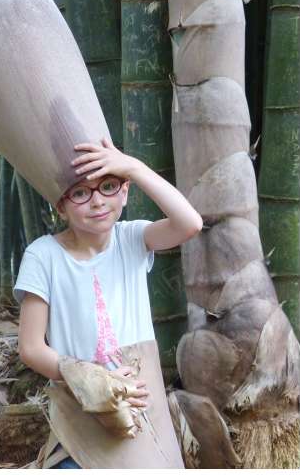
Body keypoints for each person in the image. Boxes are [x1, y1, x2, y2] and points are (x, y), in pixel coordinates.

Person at [16, 137, 201, 469]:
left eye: (108, 186)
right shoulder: (43, 255)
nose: (97, 202)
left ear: (125, 191)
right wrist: (89, 377)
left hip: (143, 407)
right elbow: (30, 347)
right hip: (80, 410)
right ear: (61, 205)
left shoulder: (132, 238)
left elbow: (190, 223)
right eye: (81, 193)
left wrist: (133, 166)